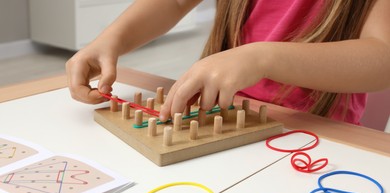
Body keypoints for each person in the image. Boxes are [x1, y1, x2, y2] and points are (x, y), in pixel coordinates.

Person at [66, 0, 390, 125]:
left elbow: (383, 56)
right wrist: (111, 39)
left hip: (314, 132)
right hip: (221, 114)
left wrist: (262, 57)